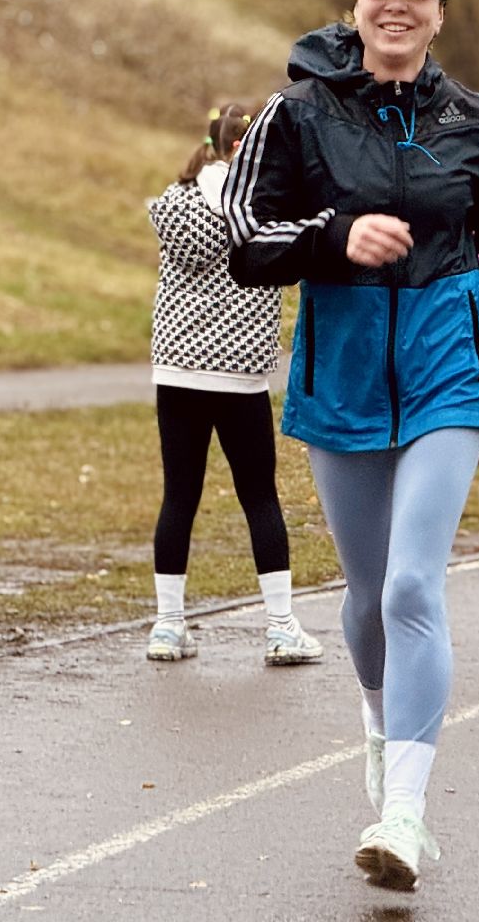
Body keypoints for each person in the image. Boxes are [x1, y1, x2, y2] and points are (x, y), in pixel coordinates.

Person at [223, 0, 479, 892]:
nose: (397, 5)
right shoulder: (296, 114)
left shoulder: (476, 118)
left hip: (445, 363)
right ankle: (384, 737)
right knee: (365, 595)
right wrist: (336, 236)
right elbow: (246, 239)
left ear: (439, 14)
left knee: (412, 588)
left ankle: (405, 813)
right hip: (342, 367)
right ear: (354, 8)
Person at [145, 103, 324, 667]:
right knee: (259, 497)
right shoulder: (263, 211)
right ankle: (280, 626)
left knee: (179, 496)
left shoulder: (175, 203)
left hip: (177, 370)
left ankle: (168, 625)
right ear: (250, 149)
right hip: (240, 375)